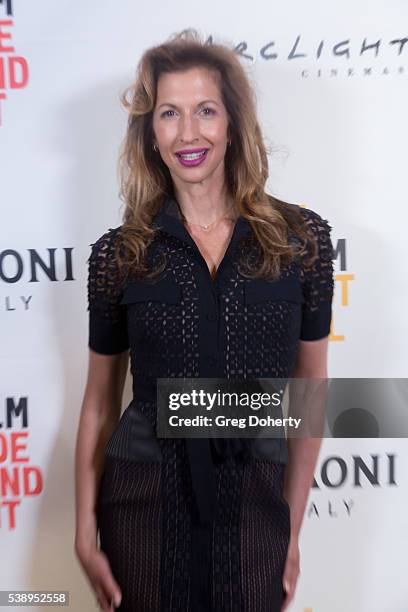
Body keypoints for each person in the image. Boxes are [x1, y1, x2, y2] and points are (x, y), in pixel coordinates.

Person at [74, 29, 334, 612]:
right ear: (151, 132)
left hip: (255, 514)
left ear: (233, 123)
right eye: (169, 113)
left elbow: (311, 395)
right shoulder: (120, 256)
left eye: (205, 111)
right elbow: (99, 403)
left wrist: (290, 532)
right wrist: (81, 532)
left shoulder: (301, 241)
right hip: (140, 511)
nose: (188, 133)